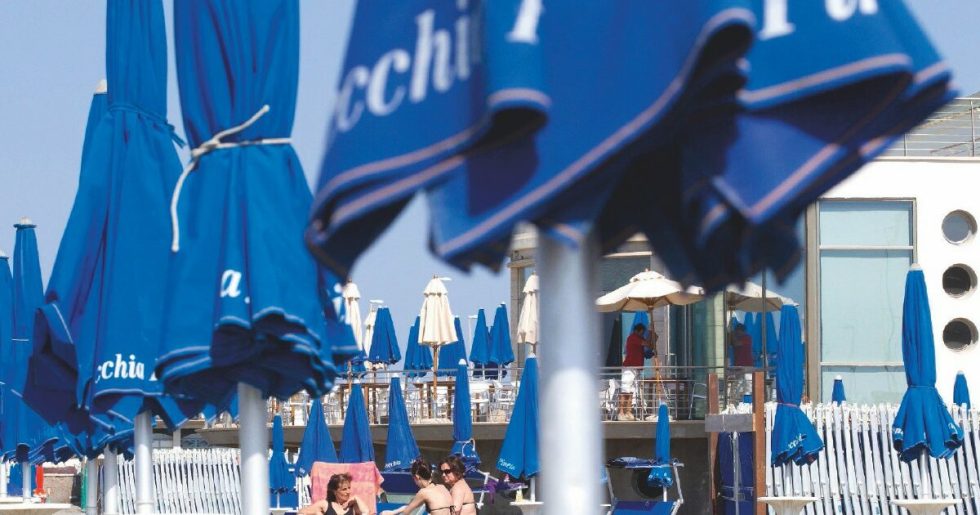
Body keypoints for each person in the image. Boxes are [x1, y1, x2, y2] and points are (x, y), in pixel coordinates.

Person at [380, 458, 453, 515]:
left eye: (413, 479)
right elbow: (411, 505)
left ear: (417, 477)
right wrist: (393, 512)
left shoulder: (424, 492)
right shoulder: (442, 487)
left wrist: (391, 513)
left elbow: (406, 512)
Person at [619, 322, 657, 421]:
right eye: (642, 332)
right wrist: (651, 335)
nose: (642, 334)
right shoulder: (633, 338)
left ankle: (628, 412)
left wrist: (652, 338)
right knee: (625, 390)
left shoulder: (638, 339)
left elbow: (649, 347)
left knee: (632, 391)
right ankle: (621, 412)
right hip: (629, 368)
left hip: (636, 368)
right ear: (638, 331)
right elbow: (647, 344)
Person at [299, 473, 370, 515]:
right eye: (344, 489)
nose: (348, 492)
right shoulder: (325, 504)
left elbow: (366, 512)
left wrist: (356, 498)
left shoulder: (353, 506)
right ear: (335, 491)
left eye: (349, 488)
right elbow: (301, 513)